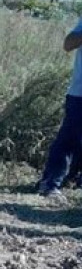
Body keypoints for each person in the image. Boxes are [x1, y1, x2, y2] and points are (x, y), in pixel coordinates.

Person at [37, 17, 82, 199]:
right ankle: (50, 183)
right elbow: (68, 44)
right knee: (68, 140)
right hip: (80, 94)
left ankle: (74, 180)